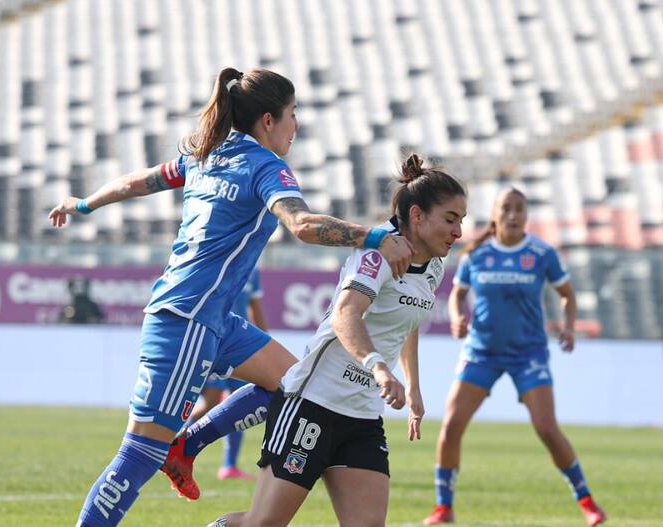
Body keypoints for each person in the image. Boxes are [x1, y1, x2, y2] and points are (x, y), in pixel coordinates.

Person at [48, 67, 414, 527]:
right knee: (140, 452)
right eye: (292, 115)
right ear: (267, 120)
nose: (296, 126)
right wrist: (375, 236)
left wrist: (84, 204)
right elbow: (301, 226)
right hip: (186, 319)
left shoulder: (206, 154)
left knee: (293, 385)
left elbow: (137, 181)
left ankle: (188, 446)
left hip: (214, 318)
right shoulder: (265, 166)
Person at [207, 154, 467, 527]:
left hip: (361, 415)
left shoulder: (435, 268)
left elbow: (406, 322)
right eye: (450, 220)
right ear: (417, 216)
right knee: (262, 524)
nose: (458, 232)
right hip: (313, 403)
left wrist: (413, 387)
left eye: (461, 222)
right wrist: (378, 369)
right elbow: (346, 315)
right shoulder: (376, 255)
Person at [422, 188, 607, 527]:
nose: (513, 214)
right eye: (506, 208)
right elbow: (458, 294)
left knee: (548, 429)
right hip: (482, 352)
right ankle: (443, 507)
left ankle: (587, 501)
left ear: (527, 214)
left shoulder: (541, 253)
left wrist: (567, 326)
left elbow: (567, 294)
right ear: (494, 213)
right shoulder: (475, 254)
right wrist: (455, 316)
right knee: (450, 427)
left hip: (528, 353)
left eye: (519, 208)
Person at [186, 267, 268, 481]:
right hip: (212, 342)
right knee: (213, 397)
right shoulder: (220, 261)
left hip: (240, 348)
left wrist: (267, 343)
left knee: (240, 405)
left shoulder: (253, 271)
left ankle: (229, 466)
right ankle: (178, 443)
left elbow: (255, 307)